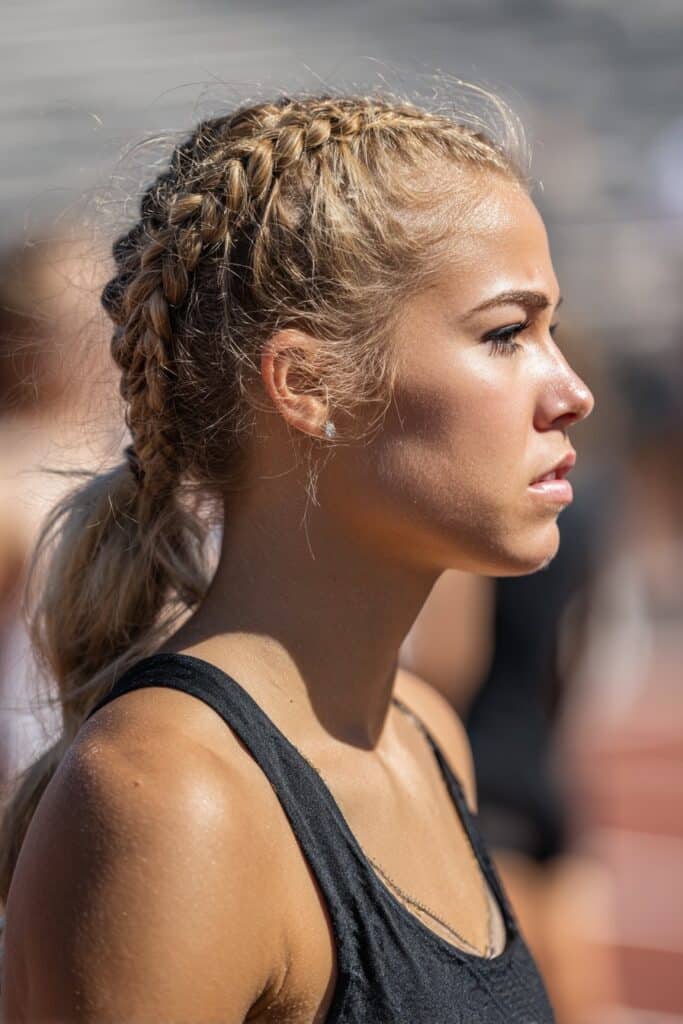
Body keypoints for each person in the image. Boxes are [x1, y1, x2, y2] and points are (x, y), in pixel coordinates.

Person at [0, 91, 594, 1023]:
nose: (572, 393)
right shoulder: (172, 800)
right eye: (505, 334)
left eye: (550, 330)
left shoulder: (424, 733)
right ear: (309, 386)